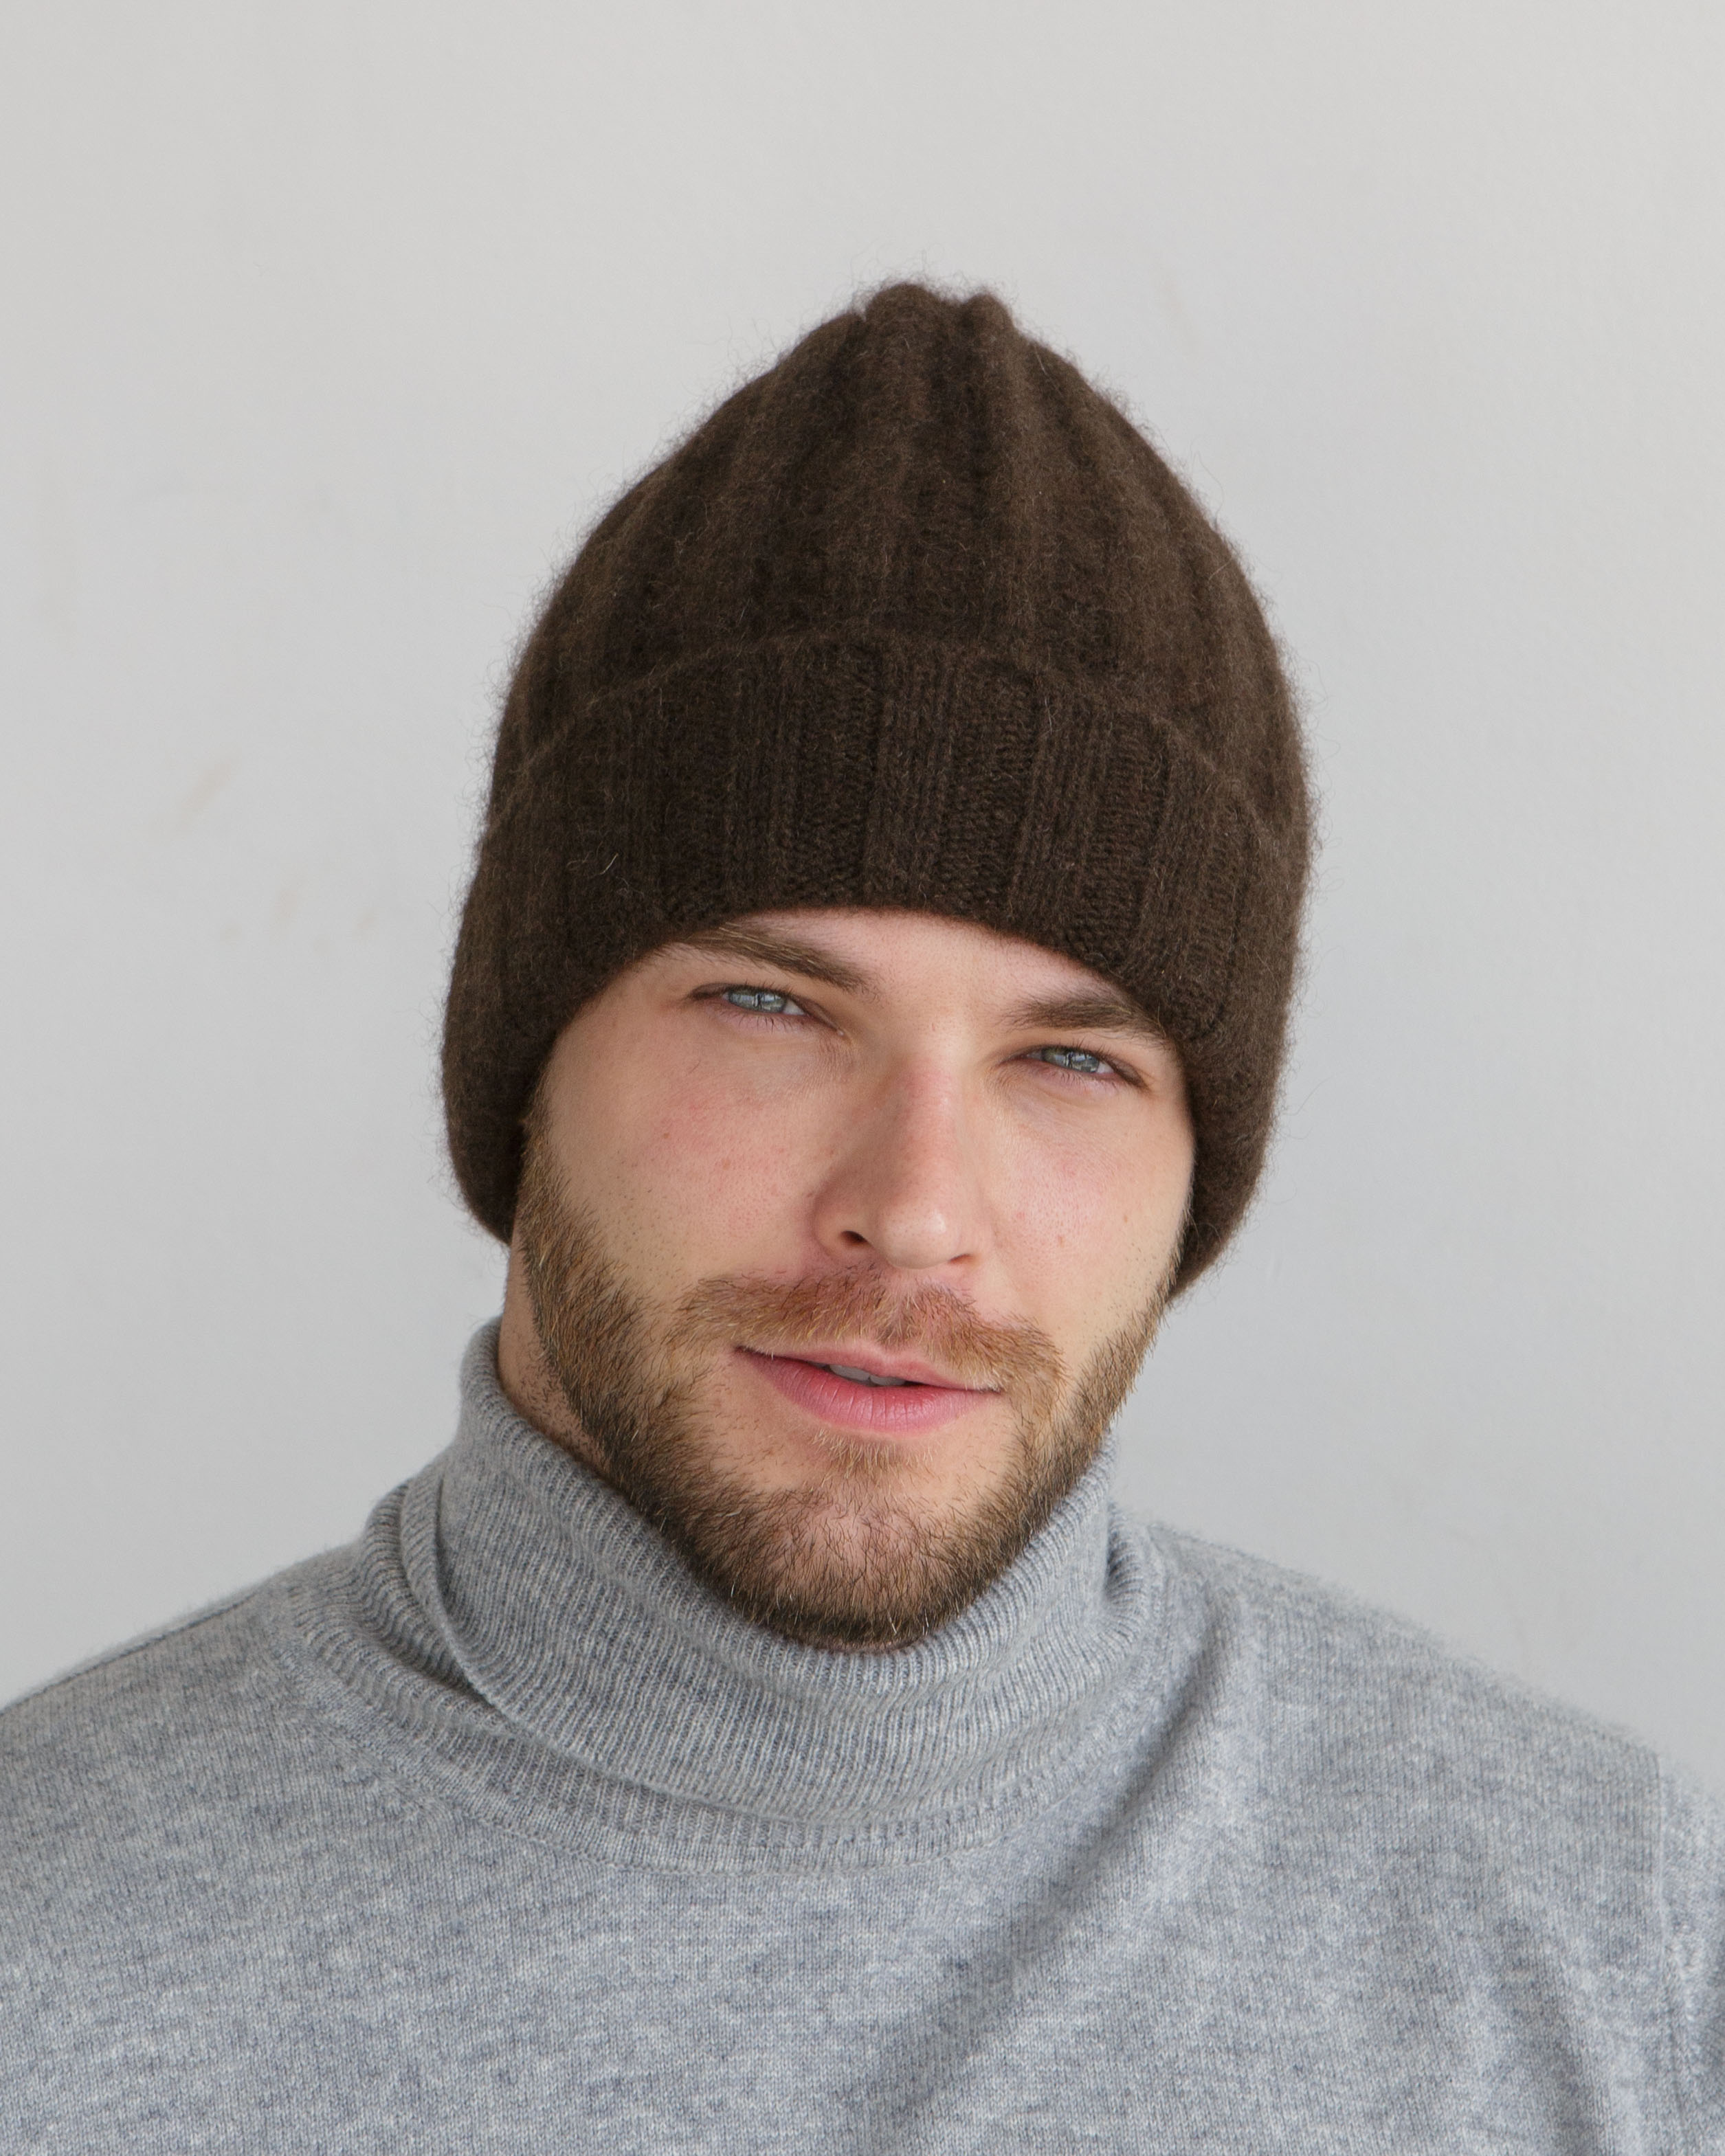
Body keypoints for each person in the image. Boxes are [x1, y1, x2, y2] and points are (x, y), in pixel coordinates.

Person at [3, 282, 1720, 2152]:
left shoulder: (1605, 1953)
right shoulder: (51, 1950)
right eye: (774, 1007)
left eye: (1073, 1061)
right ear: (525, 1060)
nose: (913, 1212)